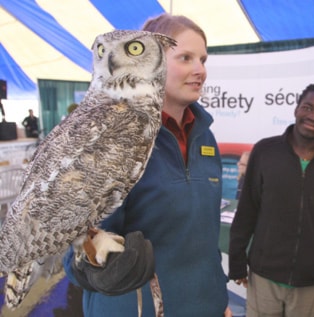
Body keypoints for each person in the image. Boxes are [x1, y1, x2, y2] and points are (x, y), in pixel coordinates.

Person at [63, 13, 231, 317]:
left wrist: (219, 300)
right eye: (186, 58)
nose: (200, 70)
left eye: (203, 59)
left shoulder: (205, 138)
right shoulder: (112, 141)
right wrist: (95, 268)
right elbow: (75, 247)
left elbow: (205, 242)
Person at [229, 83, 314, 317]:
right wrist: (237, 261)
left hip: (309, 278)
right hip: (265, 274)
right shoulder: (265, 151)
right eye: (308, 108)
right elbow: (248, 208)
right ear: (296, 109)